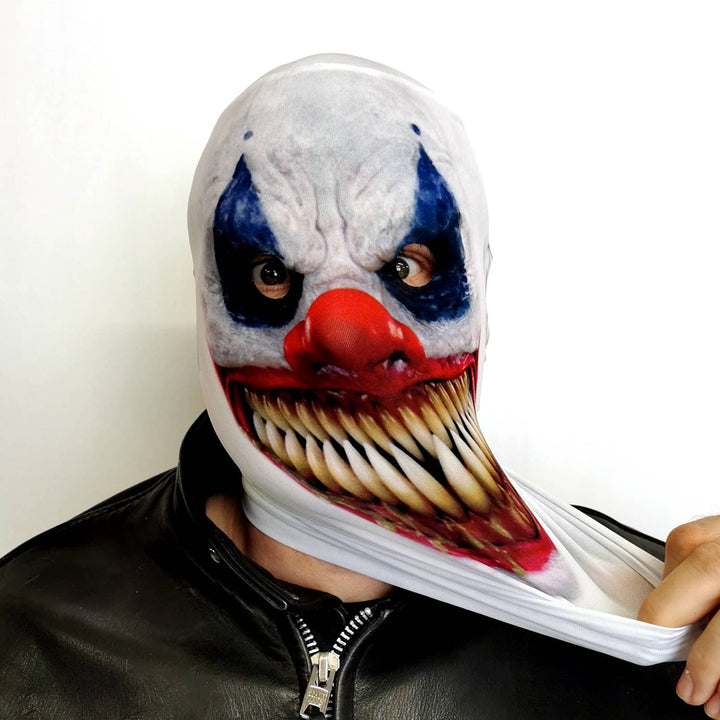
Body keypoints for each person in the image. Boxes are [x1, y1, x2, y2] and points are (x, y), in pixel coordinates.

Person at [1, 54, 719, 719]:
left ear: (484, 292)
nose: (348, 337)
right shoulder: (23, 642)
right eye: (271, 276)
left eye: (407, 268)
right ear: (202, 306)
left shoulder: (666, 636)